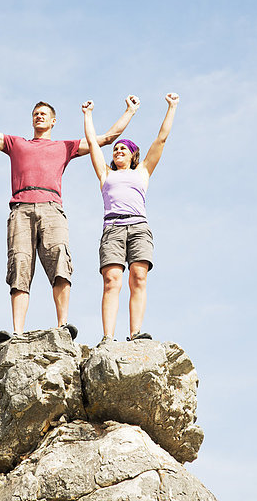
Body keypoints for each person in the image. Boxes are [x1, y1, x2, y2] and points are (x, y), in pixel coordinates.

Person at [0, 82, 140, 343]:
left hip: (52, 208)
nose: (39, 116)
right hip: (21, 209)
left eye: (44, 113)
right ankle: (17, 332)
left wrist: (130, 111)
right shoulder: (16, 143)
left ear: (53, 121)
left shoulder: (64, 146)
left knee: (60, 262)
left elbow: (104, 139)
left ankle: (62, 326)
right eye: (35, 113)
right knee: (20, 266)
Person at [82, 92, 179, 343]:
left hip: (138, 226)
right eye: (115, 149)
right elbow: (93, 143)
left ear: (133, 154)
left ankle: (135, 333)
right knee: (112, 280)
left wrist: (172, 106)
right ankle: (108, 337)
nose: (118, 151)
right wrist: (88, 115)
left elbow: (162, 139)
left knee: (139, 277)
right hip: (112, 227)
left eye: (123, 148)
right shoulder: (105, 173)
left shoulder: (143, 171)